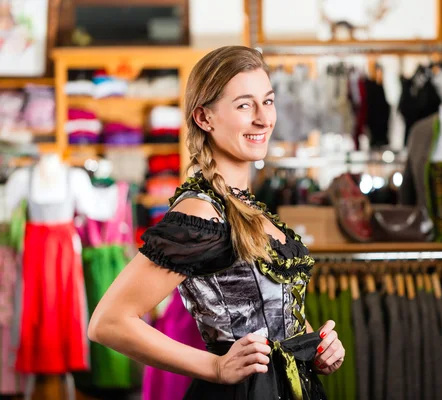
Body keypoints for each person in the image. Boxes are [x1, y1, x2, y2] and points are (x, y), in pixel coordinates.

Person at [88, 45, 344, 399]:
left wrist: (317, 347)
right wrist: (216, 367)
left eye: (267, 101)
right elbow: (109, 322)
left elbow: (269, 312)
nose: (263, 118)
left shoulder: (248, 206)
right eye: (244, 105)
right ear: (204, 118)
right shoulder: (200, 212)